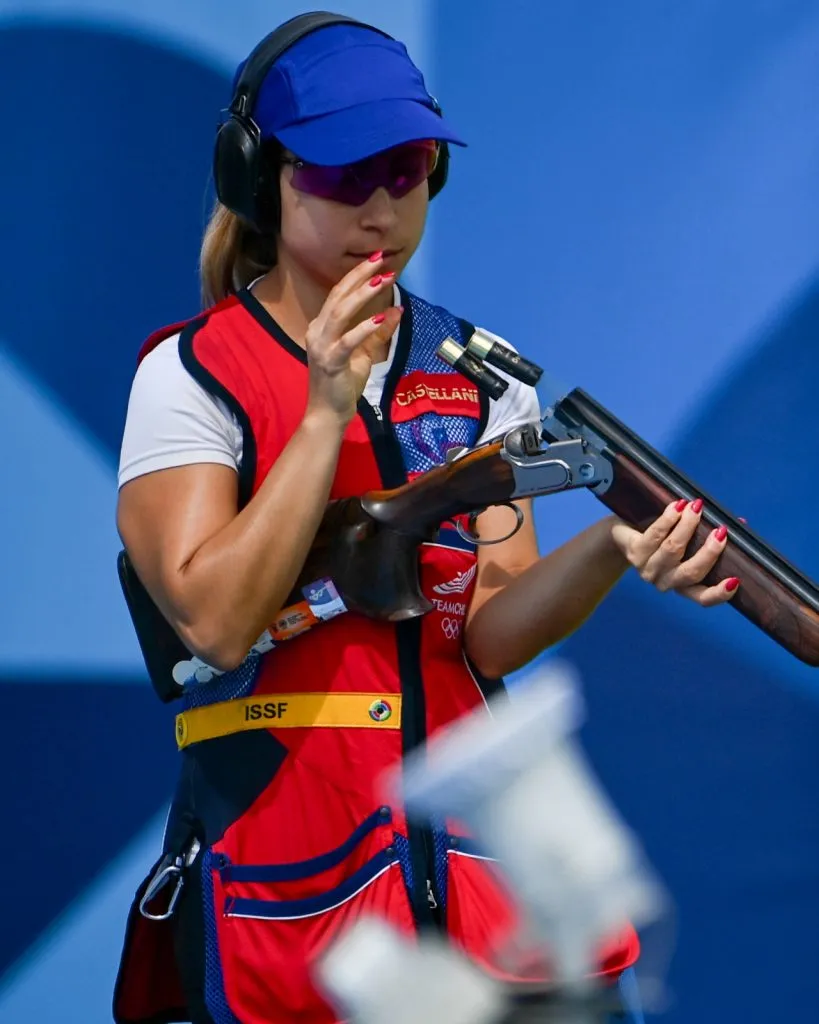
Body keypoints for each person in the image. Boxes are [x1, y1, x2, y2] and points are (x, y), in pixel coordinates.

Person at [112, 12, 739, 1024]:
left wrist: (615, 548)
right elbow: (214, 623)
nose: (382, 205)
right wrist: (323, 413)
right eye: (341, 172)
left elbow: (488, 633)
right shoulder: (190, 374)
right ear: (258, 176)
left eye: (406, 167)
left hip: (489, 882)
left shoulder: (479, 377)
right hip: (299, 889)